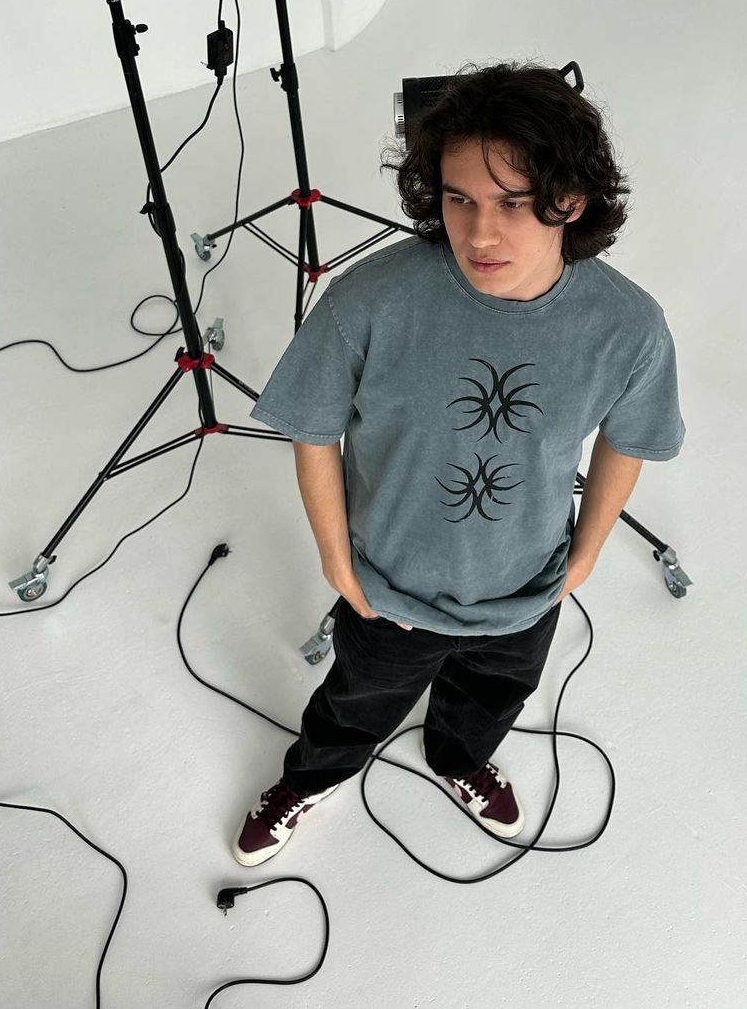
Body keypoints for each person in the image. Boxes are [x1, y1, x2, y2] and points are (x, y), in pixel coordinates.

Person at [232, 60, 685, 866]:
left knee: (493, 698)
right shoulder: (370, 299)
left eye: (511, 203)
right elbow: (313, 429)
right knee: (357, 700)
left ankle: (459, 758)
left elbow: (631, 437)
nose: (479, 233)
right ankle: (313, 776)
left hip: (526, 590)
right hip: (390, 588)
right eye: (459, 199)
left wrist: (583, 557)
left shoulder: (629, 327)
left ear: (571, 199)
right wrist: (338, 564)